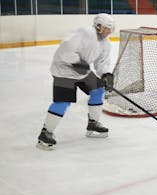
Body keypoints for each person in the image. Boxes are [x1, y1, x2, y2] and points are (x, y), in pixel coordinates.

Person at [36, 13, 115, 150]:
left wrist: (106, 75)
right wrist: (77, 63)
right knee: (63, 102)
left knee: (98, 90)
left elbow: (102, 63)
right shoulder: (84, 32)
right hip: (64, 71)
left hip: (82, 72)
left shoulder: (105, 44)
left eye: (111, 29)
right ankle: (45, 133)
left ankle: (93, 124)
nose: (109, 32)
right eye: (108, 28)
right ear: (98, 26)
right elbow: (65, 50)